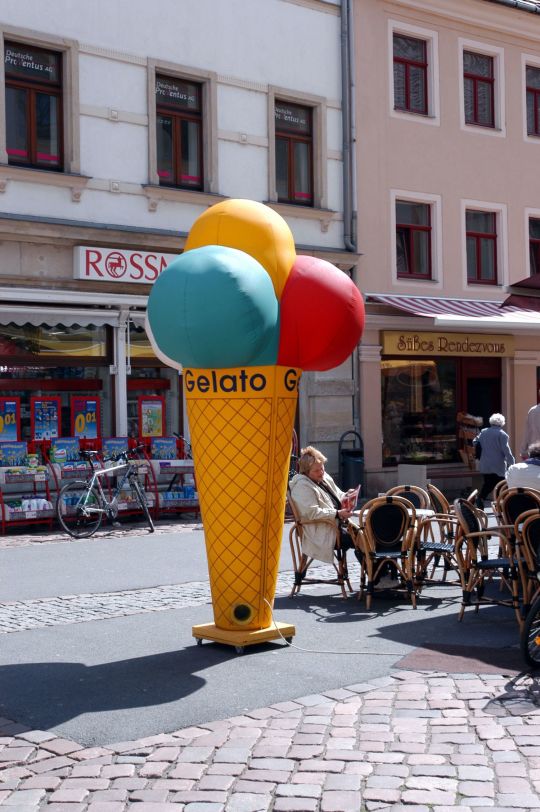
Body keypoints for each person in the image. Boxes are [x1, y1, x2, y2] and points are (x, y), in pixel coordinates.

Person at [288, 445, 360, 565]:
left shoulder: (324, 477)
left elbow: (338, 495)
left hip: (336, 525)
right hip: (322, 531)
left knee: (369, 533)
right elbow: (312, 512)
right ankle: (376, 577)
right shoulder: (302, 486)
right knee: (361, 538)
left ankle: (377, 574)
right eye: (316, 470)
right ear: (306, 472)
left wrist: (347, 495)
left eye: (322, 468)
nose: (321, 472)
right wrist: (337, 513)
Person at [473, 413, 515, 508]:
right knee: (502, 484)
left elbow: (475, 442)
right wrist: (512, 463)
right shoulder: (502, 434)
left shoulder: (483, 431)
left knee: (488, 483)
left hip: (485, 464)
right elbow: (506, 451)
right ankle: (502, 504)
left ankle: (481, 498)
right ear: (502, 423)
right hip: (498, 465)